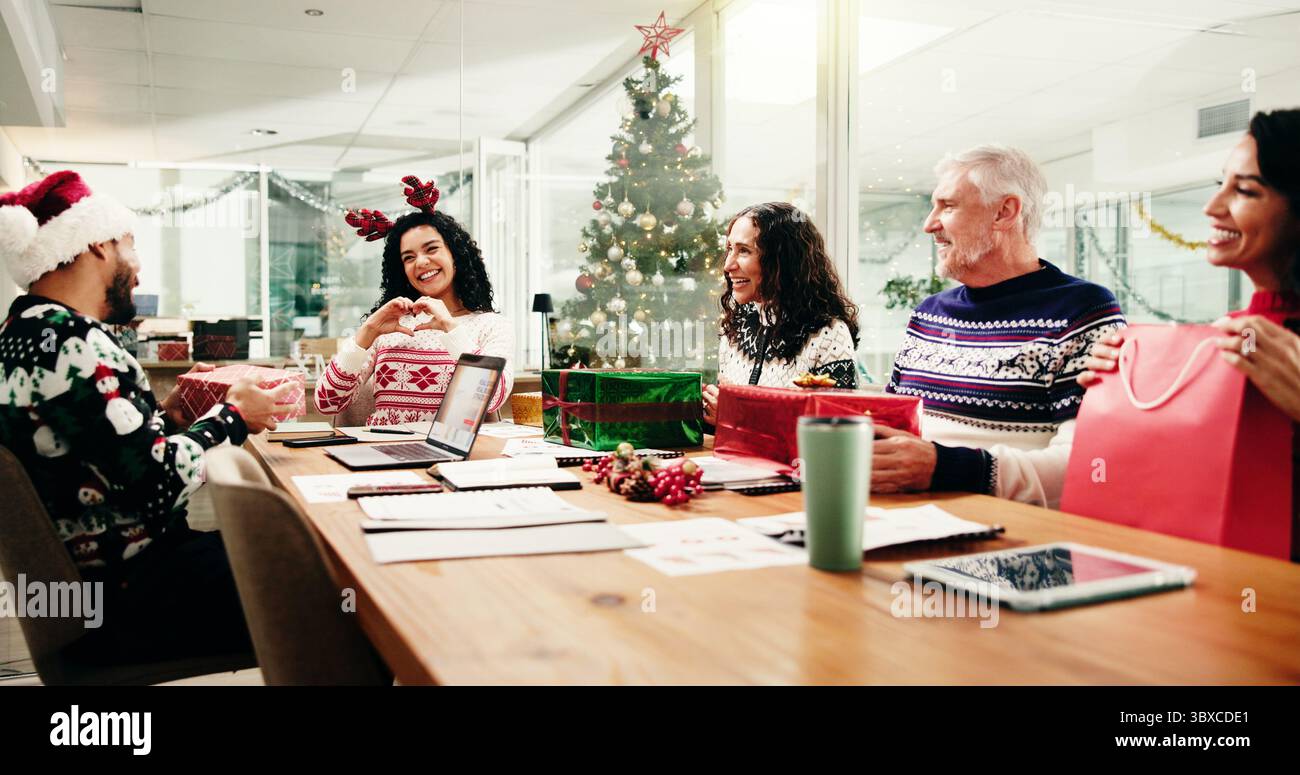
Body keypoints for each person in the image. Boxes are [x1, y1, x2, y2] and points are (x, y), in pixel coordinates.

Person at [0, 170, 294, 661]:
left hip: (88, 591)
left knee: (289, 550)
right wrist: (233, 416)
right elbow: (158, 485)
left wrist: (168, 417)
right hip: (133, 598)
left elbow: (95, 451)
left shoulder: (23, 332)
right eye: (130, 244)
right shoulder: (77, 344)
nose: (139, 268)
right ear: (96, 245)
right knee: (340, 580)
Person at [1080, 109, 1300, 559]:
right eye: (1220, 184)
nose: (1212, 207)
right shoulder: (1225, 339)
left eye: (1244, 190)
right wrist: (1114, 397)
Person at [875, 145, 1125, 508]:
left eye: (948, 206)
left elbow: (1090, 466)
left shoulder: (1083, 312)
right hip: (910, 518)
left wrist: (946, 468)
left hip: (1011, 537)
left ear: (1004, 212)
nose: (930, 224)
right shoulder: (928, 314)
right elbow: (895, 425)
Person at [315, 175, 514, 425]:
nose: (421, 262)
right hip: (379, 453)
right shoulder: (389, 327)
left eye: (432, 249)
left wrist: (451, 329)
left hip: (450, 460)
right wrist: (366, 333)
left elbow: (493, 398)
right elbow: (327, 403)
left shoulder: (491, 326)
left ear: (456, 256)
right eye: (409, 257)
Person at [702, 201, 860, 425]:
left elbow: (835, 432)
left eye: (744, 251)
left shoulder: (828, 334)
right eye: (730, 249)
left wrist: (736, 416)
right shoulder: (735, 326)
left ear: (782, 260)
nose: (728, 265)